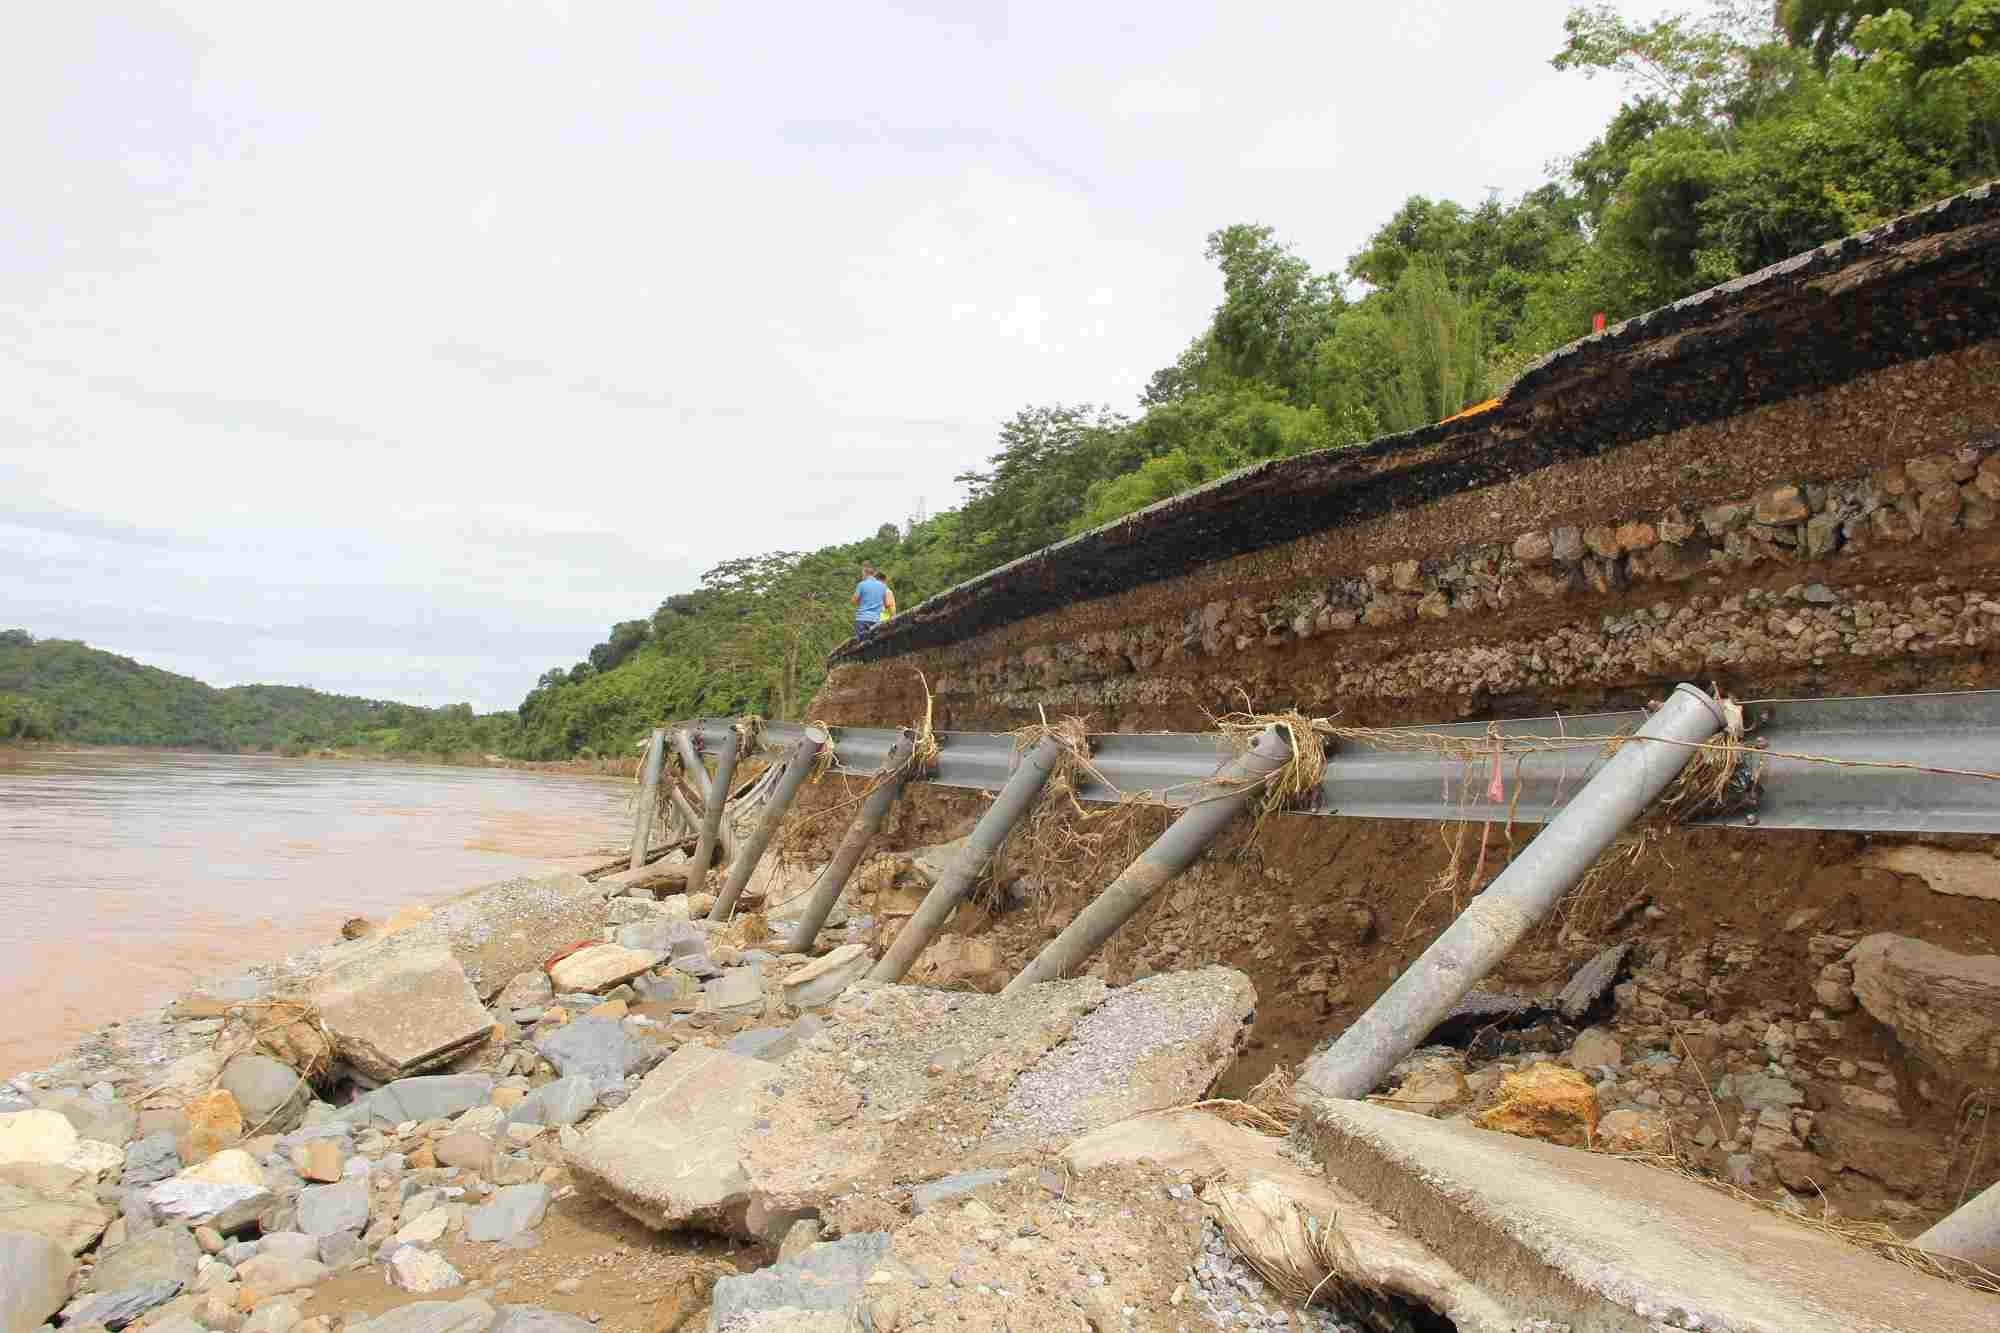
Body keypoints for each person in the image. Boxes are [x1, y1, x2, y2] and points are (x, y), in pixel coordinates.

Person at [852, 563, 888, 640]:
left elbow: (853, 601)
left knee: (860, 643)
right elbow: (886, 603)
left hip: (862, 618)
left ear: (865, 573)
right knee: (875, 642)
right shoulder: (883, 586)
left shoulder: (861, 585)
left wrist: (862, 601)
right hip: (876, 619)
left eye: (862, 574)